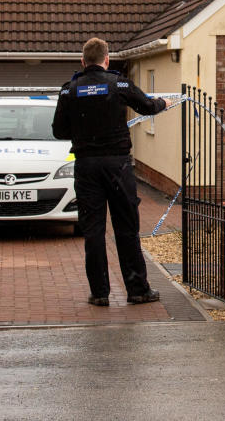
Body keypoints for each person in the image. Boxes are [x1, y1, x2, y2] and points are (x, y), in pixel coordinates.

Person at [53, 37, 173, 306]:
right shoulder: (119, 84)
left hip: (86, 167)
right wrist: (164, 102)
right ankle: (137, 290)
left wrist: (83, 130)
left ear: (83, 62)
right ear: (106, 60)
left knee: (93, 230)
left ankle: (99, 293)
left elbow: (58, 131)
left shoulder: (69, 90)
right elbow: (148, 106)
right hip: (117, 165)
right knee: (126, 227)